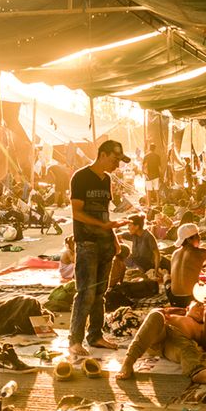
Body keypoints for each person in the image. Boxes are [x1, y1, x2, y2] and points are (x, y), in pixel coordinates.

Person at [68, 140, 131, 356]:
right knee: (85, 292)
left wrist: (113, 238)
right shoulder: (80, 177)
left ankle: (94, 336)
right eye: (114, 160)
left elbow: (105, 214)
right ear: (102, 155)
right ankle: (75, 340)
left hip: (105, 242)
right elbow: (77, 213)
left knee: (100, 294)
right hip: (86, 242)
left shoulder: (107, 180)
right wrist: (101, 226)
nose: (117, 165)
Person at [116, 299, 206, 383]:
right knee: (155, 315)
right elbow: (154, 315)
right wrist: (163, 311)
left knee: (187, 348)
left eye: (205, 308)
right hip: (158, 333)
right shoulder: (173, 315)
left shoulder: (202, 326)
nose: (202, 309)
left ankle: (197, 373)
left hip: (176, 342)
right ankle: (128, 361)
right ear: (187, 308)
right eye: (199, 305)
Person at [116, 214, 169, 278]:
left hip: (144, 265)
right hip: (134, 260)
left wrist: (156, 270)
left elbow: (157, 255)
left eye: (129, 225)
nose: (128, 228)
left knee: (136, 271)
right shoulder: (133, 234)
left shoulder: (148, 236)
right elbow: (116, 236)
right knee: (122, 251)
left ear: (137, 226)